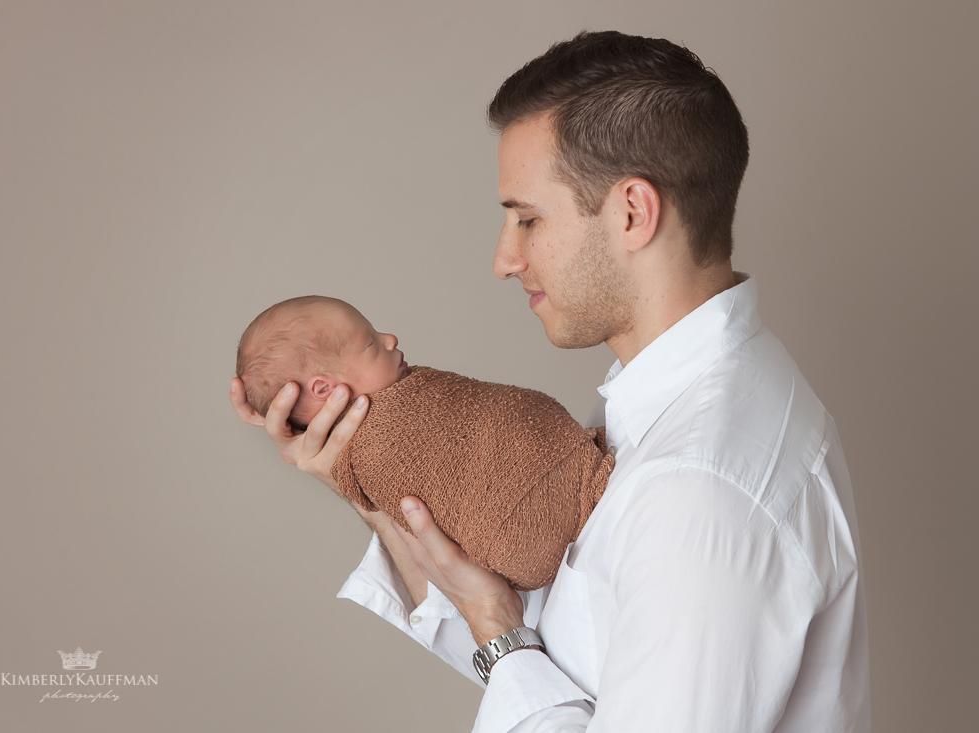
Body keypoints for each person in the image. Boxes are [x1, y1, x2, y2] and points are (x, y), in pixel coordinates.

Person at [230, 31, 870, 732]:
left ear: (633, 213)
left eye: (527, 219)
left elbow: (518, 654)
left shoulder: (699, 489)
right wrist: (359, 471)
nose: (504, 259)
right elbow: (562, 667)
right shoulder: (676, 406)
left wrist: (495, 627)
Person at [235, 294, 612, 590]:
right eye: (370, 343)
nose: (390, 339)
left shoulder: (415, 403)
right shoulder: (371, 453)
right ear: (324, 388)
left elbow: (482, 426)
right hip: (537, 525)